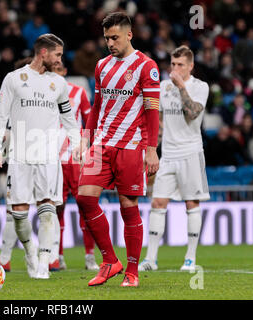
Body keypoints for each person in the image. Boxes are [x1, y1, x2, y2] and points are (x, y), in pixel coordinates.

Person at [75, 12, 160, 288]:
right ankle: (110, 260)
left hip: (131, 145)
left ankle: (132, 272)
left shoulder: (146, 67)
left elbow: (151, 111)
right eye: (106, 38)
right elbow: (97, 106)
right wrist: (85, 138)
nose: (110, 43)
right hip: (102, 144)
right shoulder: (101, 66)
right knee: (85, 198)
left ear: (129, 35)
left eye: (114, 37)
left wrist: (151, 148)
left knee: (128, 207)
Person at [0, 34, 81, 279]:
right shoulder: (14, 79)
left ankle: (43, 261)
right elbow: (0, 116)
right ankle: (29, 250)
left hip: (49, 157)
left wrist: (78, 143)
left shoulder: (59, 84)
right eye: (57, 55)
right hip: (20, 156)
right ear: (43, 53)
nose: (60, 60)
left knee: (47, 208)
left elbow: (69, 118)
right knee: (18, 213)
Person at [138, 45, 210, 273]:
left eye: (180, 64)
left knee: (191, 203)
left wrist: (181, 88)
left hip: (191, 152)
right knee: (157, 203)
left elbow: (192, 113)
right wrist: (150, 150)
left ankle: (189, 259)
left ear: (190, 66)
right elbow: (156, 121)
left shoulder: (200, 87)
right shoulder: (162, 87)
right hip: (168, 154)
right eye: (173, 64)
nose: (175, 68)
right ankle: (151, 259)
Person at [50, 63, 99, 271]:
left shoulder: (78, 92)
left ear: (65, 72)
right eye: (53, 71)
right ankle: (57, 256)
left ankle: (90, 257)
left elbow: (89, 123)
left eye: (59, 70)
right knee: (55, 210)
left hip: (76, 159)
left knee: (86, 207)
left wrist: (87, 150)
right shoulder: (43, 95)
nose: (56, 74)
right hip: (52, 159)